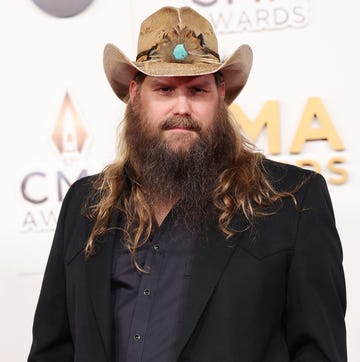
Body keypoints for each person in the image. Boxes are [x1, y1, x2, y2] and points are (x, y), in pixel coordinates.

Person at [28, 6, 347, 362]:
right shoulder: (84, 204)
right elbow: (51, 349)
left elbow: (319, 352)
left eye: (197, 90)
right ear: (135, 95)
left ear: (221, 96)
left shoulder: (293, 201)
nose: (182, 107)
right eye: (164, 89)